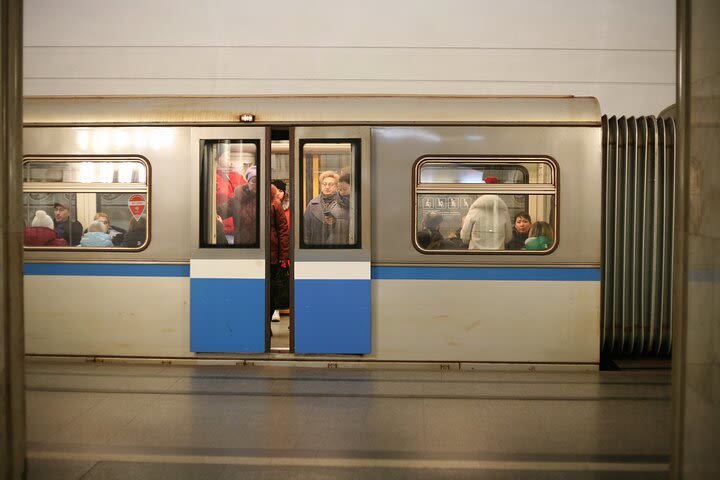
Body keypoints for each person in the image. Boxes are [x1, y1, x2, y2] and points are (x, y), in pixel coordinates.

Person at [303, 171, 348, 245]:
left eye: (331, 184)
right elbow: (306, 230)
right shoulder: (312, 204)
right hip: (317, 247)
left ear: (337, 187)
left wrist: (336, 221)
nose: (327, 187)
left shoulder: (344, 203)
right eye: (324, 184)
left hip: (338, 247)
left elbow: (350, 225)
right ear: (321, 186)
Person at [218, 165, 257, 245]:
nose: (258, 184)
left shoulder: (269, 200)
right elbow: (218, 211)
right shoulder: (237, 201)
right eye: (254, 181)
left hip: (264, 249)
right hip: (242, 248)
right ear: (248, 182)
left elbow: (281, 229)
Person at [215, 147, 247, 236]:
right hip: (224, 227)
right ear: (219, 158)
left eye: (229, 155)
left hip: (239, 227)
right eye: (226, 155)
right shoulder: (213, 178)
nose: (229, 158)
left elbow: (248, 191)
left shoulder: (236, 175)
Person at [269, 184, 290, 322]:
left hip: (273, 255)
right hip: (262, 253)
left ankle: (269, 317)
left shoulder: (275, 205)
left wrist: (283, 257)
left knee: (272, 289)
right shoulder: (247, 201)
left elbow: (283, 231)